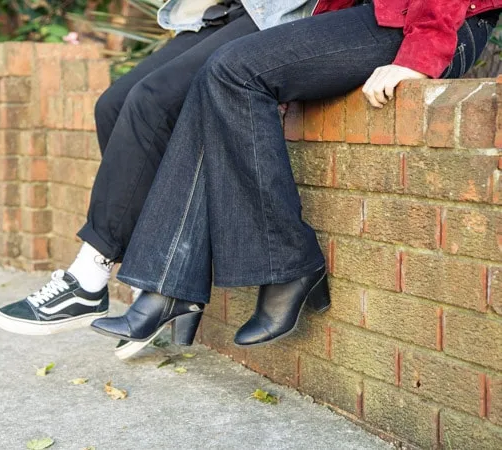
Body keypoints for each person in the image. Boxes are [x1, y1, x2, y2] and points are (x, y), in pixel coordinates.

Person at [90, 0, 501, 357]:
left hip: (437, 22)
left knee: (234, 70)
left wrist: (421, 54)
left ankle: (289, 266)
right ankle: (166, 284)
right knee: (218, 71)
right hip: (376, 15)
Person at [0, 0, 324, 337]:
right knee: (113, 104)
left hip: (276, 11)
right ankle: (148, 278)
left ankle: (89, 277)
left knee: (152, 101)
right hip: (219, 11)